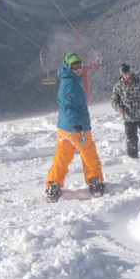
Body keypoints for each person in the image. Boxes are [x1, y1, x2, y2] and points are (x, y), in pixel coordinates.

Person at [45, 52, 105, 201]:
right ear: (68, 66)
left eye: (80, 66)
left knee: (62, 157)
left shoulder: (68, 80)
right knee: (89, 153)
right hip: (77, 128)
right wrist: (77, 125)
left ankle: (53, 184)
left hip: (64, 128)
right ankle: (95, 182)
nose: (79, 70)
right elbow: (68, 107)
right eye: (75, 66)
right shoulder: (69, 84)